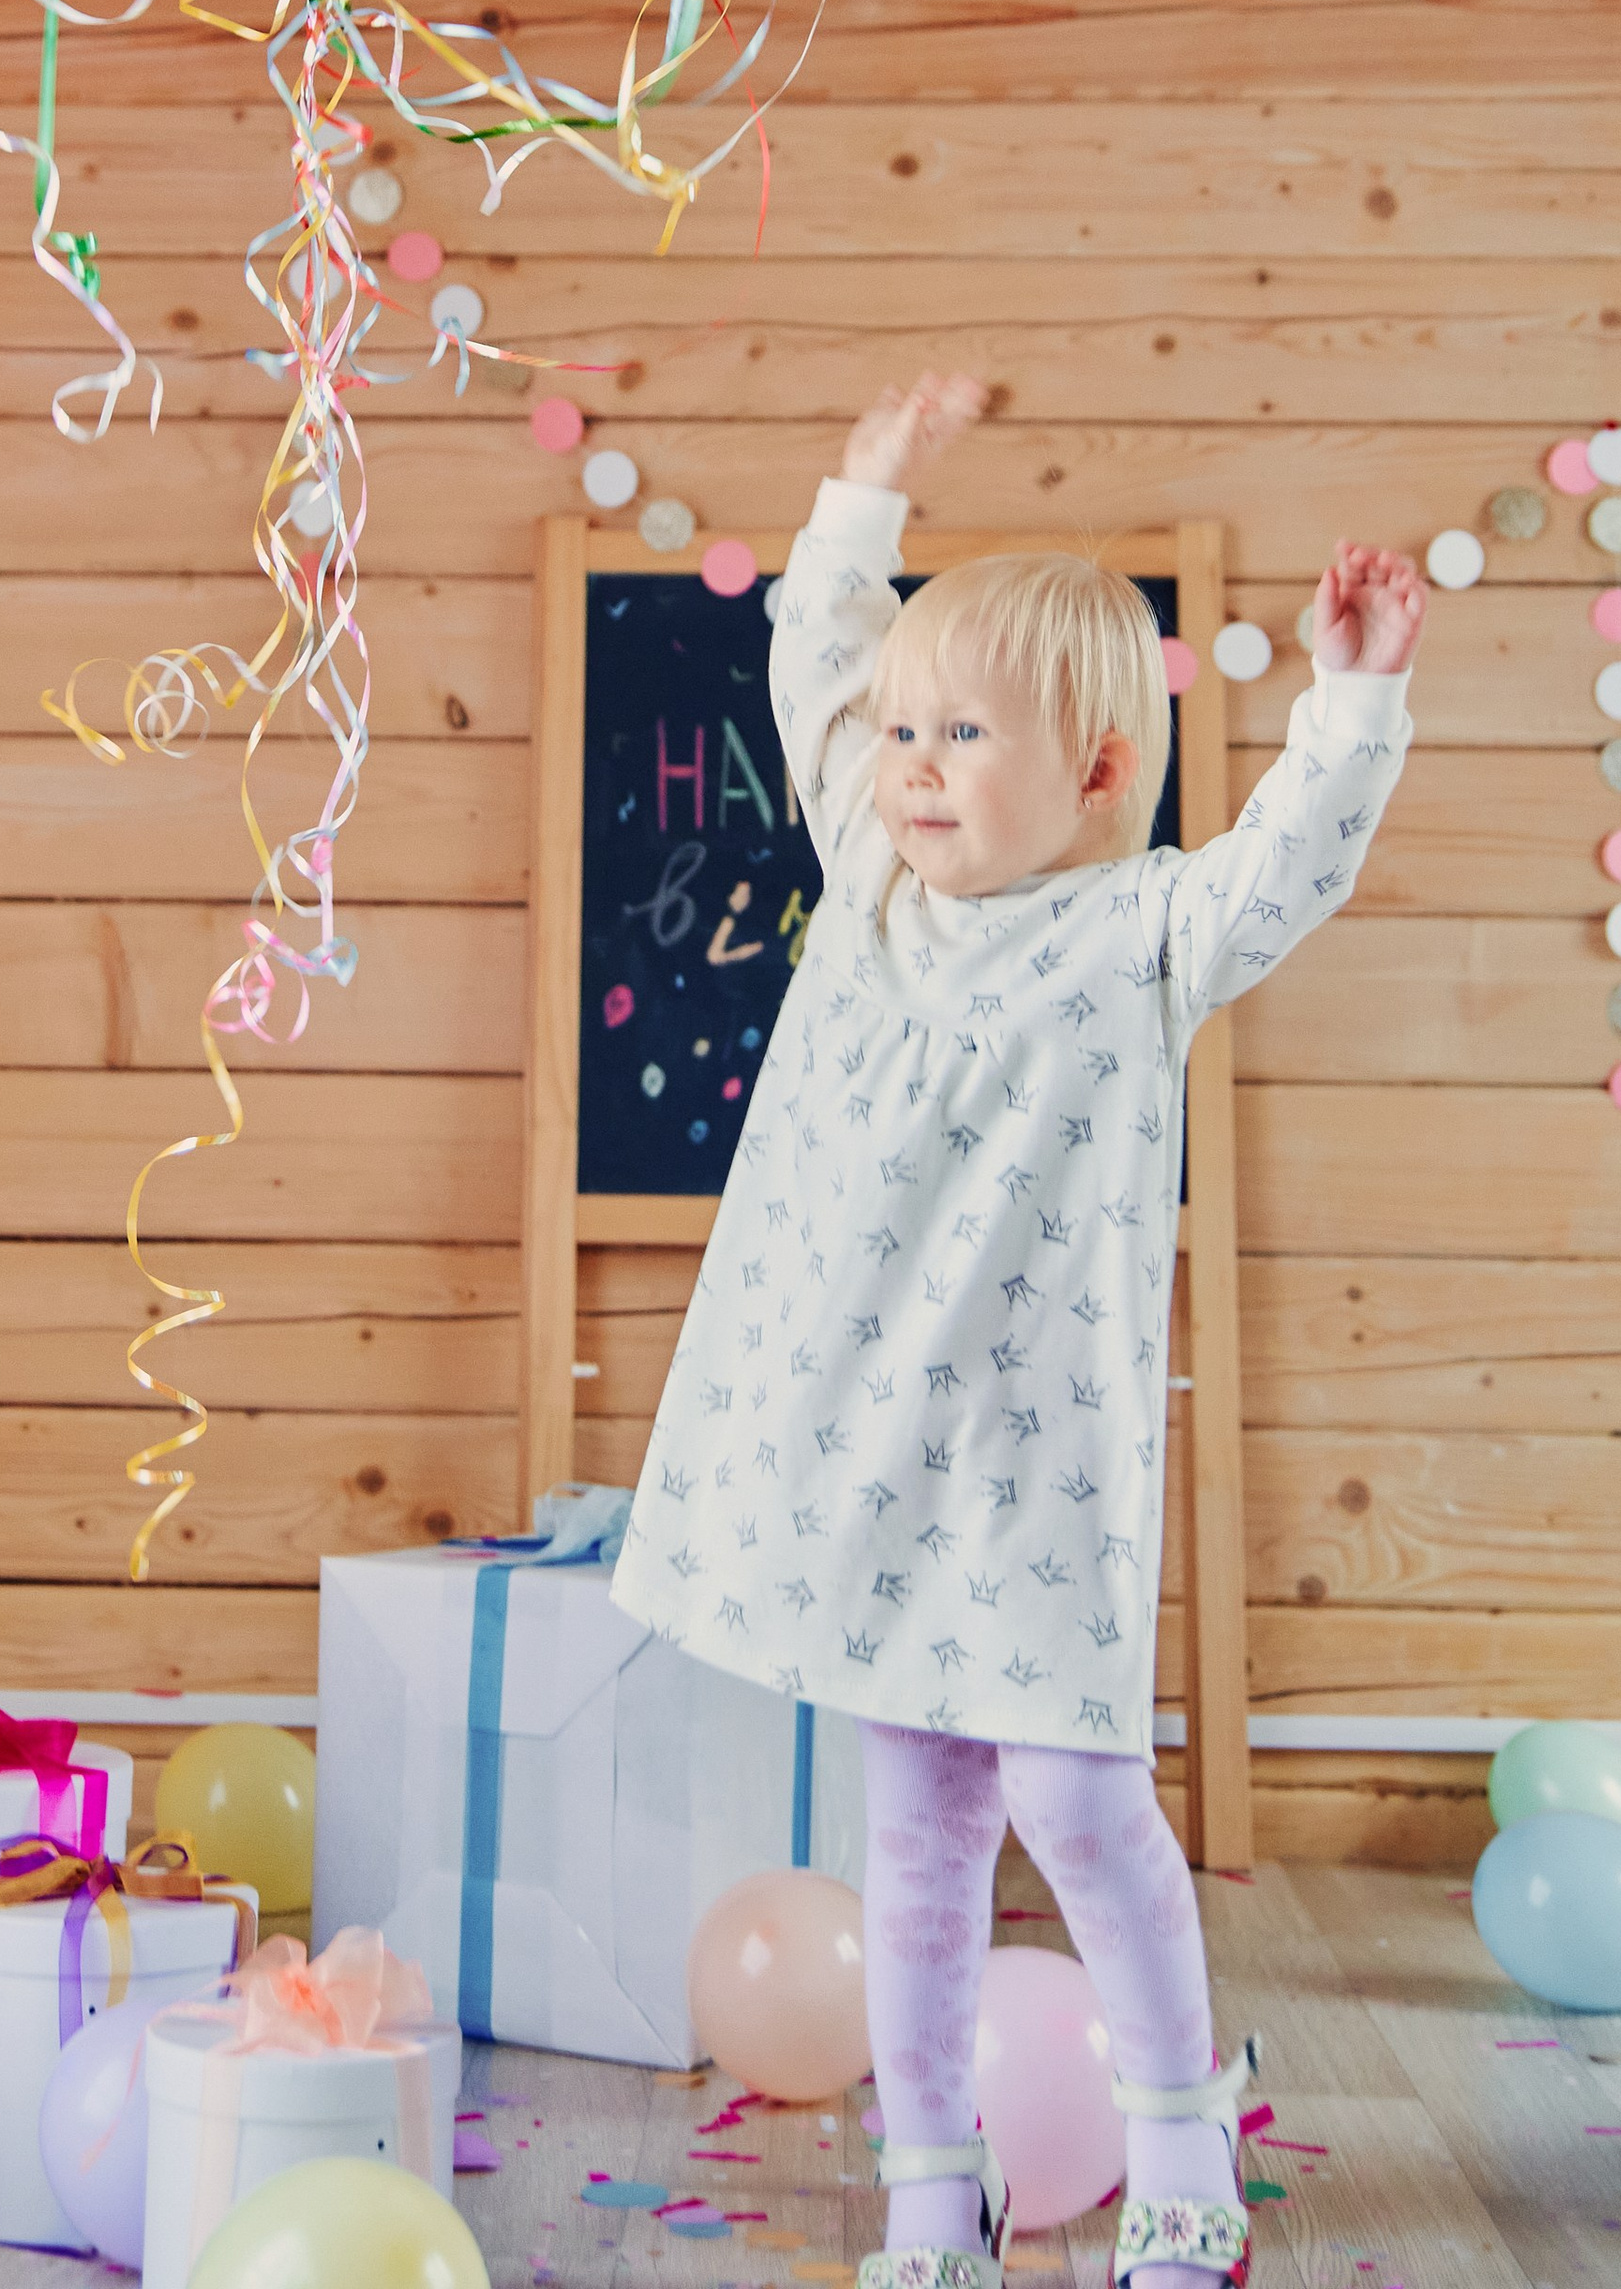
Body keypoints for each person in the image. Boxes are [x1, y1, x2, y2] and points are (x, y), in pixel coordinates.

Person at [610, 374, 1424, 2289]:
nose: (910, 760)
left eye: (963, 732)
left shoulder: (1144, 933)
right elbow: (820, 658)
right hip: (877, 1471)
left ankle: (1177, 2152)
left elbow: (1293, 860)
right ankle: (928, 2188)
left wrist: (1354, 701)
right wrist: (868, 488)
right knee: (917, 1836)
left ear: (1089, 772)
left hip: (1038, 1480)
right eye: (906, 728)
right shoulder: (873, 886)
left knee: (1075, 1802)